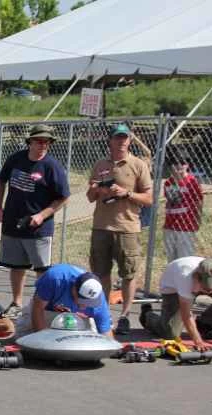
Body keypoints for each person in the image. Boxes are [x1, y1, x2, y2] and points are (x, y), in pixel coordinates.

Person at [0, 124, 70, 318]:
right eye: (38, 141)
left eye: (47, 142)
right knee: (16, 266)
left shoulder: (52, 166)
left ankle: (40, 305)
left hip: (38, 228)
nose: (42, 145)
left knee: (42, 269)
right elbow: (1, 180)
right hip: (13, 221)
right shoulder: (16, 159)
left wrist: (42, 215)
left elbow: (63, 197)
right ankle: (17, 303)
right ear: (30, 142)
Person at [86, 123, 153, 335]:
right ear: (110, 141)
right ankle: (103, 315)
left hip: (127, 228)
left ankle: (124, 316)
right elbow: (89, 197)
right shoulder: (99, 164)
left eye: (125, 138)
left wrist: (125, 193)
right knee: (101, 273)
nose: (121, 142)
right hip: (101, 226)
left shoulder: (138, 165)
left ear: (130, 141)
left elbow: (149, 199)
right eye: (117, 138)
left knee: (128, 274)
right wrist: (98, 188)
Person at [16, 264, 112, 338]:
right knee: (22, 336)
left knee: (93, 340)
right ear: (74, 289)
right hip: (47, 311)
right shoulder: (55, 278)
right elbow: (38, 308)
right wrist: (42, 340)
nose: (84, 307)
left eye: (90, 302)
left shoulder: (98, 298)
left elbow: (106, 332)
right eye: (82, 301)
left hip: (77, 320)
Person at [141, 257, 212, 350]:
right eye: (207, 286)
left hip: (192, 286)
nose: (209, 290)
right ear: (197, 276)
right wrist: (198, 341)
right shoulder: (185, 277)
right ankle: (147, 316)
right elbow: (186, 315)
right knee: (171, 333)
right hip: (173, 290)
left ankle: (205, 322)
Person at [162, 148, 202, 262]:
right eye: (175, 162)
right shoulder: (168, 182)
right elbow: (169, 201)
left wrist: (197, 221)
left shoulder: (192, 181)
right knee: (171, 259)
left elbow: (199, 202)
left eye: (183, 162)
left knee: (185, 259)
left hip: (186, 227)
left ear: (187, 164)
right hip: (169, 226)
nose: (179, 165)